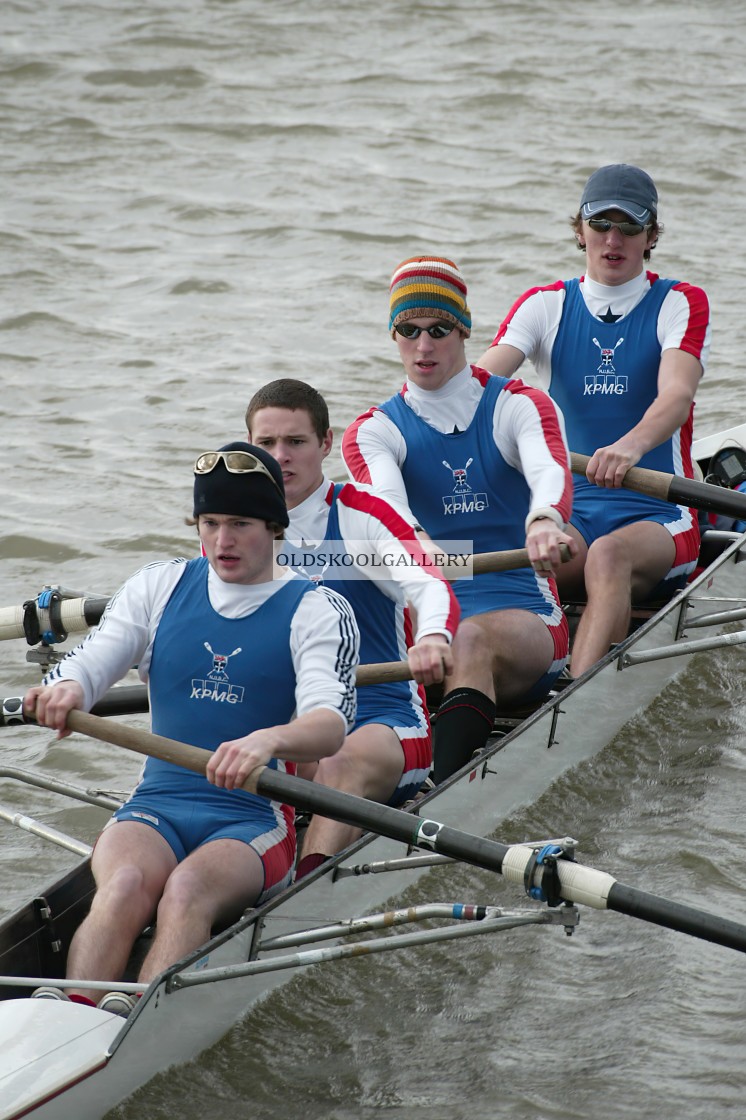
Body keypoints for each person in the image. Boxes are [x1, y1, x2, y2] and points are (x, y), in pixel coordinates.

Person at [23, 442, 358, 1014]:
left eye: (239, 524)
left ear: (273, 526)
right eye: (209, 523)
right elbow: (94, 658)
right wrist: (69, 689)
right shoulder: (160, 585)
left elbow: (329, 725)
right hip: (159, 801)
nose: (222, 541)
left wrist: (269, 739)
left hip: (252, 816)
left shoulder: (316, 608)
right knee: (124, 884)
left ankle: (138, 1025)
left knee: (185, 891)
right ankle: (70, 1014)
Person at [342, 256, 576, 783]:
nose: (423, 346)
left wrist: (543, 521)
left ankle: (438, 790)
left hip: (523, 614)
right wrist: (416, 540)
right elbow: (387, 502)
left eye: (439, 329)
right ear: (394, 335)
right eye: (409, 330)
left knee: (466, 638)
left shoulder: (519, 405)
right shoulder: (372, 431)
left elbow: (548, 470)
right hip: (427, 620)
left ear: (464, 330)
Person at [477, 164, 710, 678]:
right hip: (572, 511)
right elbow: (475, 389)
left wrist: (629, 446)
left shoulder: (680, 301)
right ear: (579, 229)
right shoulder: (544, 305)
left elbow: (676, 393)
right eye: (600, 223)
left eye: (629, 227)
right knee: (511, 558)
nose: (613, 238)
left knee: (609, 556)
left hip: (660, 511)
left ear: (651, 237)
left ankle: (573, 698)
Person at [246, 379, 461, 876]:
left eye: (296, 442)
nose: (281, 457)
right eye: (266, 444)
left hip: (383, 723)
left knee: (339, 761)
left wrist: (431, 637)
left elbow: (429, 583)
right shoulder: (237, 530)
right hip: (292, 729)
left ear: (325, 443)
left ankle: (304, 891)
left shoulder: (363, 514)